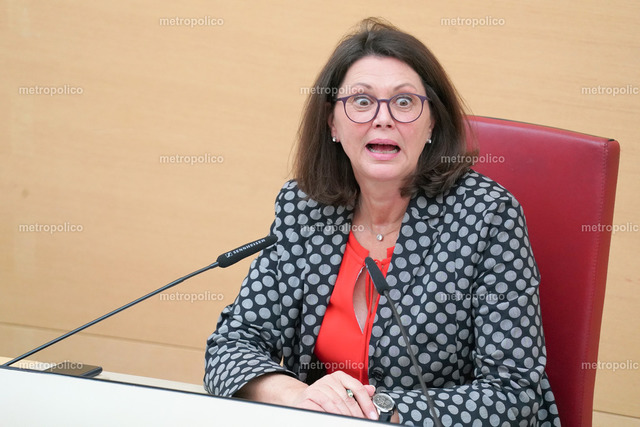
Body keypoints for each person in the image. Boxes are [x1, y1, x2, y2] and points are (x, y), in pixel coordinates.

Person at [204, 18, 560, 426]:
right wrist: (299, 396)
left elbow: (515, 393)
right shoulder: (305, 209)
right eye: (361, 101)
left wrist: (377, 410)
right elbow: (231, 346)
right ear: (332, 123)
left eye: (404, 102)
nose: (383, 118)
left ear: (432, 122)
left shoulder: (487, 216)